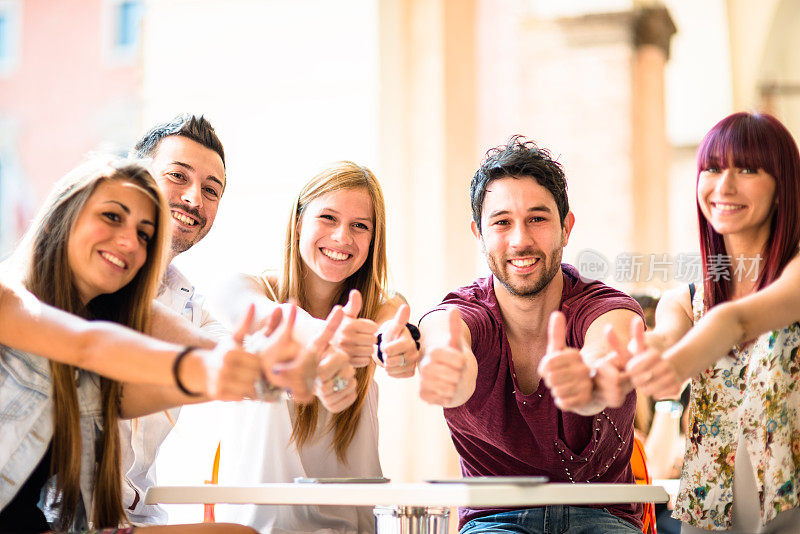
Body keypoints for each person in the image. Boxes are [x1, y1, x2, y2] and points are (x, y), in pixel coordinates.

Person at [0, 157, 265, 533]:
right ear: (65, 214)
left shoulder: (104, 353)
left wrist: (285, 369)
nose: (128, 242)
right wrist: (205, 370)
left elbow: (213, 363)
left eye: (144, 235)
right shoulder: (8, 300)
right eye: (112, 217)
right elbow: (87, 345)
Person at [417, 136, 645, 533]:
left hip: (602, 516)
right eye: (502, 222)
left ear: (566, 227)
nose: (520, 239)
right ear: (478, 233)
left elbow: (612, 343)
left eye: (537, 218)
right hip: (495, 520)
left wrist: (594, 378)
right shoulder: (466, 313)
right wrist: (445, 367)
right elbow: (444, 335)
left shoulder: (605, 307)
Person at [125, 115, 322, 524]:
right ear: (134, 175)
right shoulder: (87, 278)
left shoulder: (191, 307)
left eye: (210, 190)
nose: (194, 199)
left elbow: (243, 366)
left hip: (138, 516)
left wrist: (317, 374)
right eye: (177, 176)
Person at [213, 161, 420, 533]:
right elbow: (263, 316)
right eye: (328, 218)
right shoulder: (247, 288)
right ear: (298, 224)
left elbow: (396, 332)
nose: (342, 237)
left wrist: (396, 345)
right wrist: (331, 337)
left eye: (360, 226)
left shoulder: (381, 307)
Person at [625, 112, 800, 533]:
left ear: (783, 187)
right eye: (714, 168)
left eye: (748, 169)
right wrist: (637, 359)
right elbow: (664, 341)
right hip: (710, 516)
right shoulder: (683, 300)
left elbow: (737, 321)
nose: (725, 185)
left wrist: (674, 363)